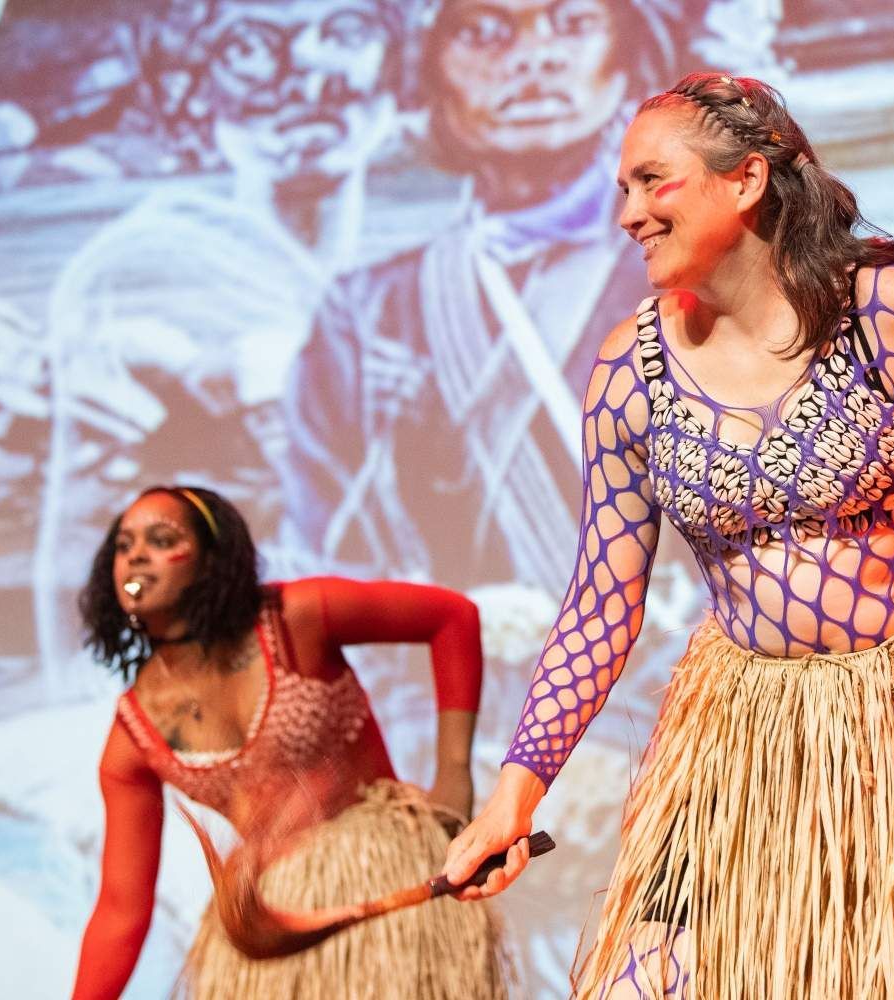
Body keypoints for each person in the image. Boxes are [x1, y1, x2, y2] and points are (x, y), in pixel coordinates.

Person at [443, 73, 894, 998]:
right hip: (754, 731)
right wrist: (515, 791)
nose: (628, 214)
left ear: (745, 182)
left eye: (653, 181)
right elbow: (599, 604)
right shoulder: (629, 372)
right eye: (621, 190)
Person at [33, 0, 414, 693]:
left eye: (344, 35)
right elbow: (95, 552)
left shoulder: (403, 279)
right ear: (192, 86)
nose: (305, 76)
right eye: (249, 47)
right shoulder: (149, 269)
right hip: (196, 695)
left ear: (398, 68)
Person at [283, 0, 683, 591]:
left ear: (629, 57)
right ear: (429, 74)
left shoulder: (704, 273)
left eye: (572, 24)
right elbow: (328, 557)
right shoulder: (367, 313)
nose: (532, 59)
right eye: (482, 32)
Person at [70, 485, 506, 998]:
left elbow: (451, 617)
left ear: (212, 561)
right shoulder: (134, 734)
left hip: (388, 891)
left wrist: (453, 778)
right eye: (123, 546)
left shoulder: (292, 618)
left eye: (161, 538)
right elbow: (122, 910)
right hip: (273, 928)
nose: (136, 555)